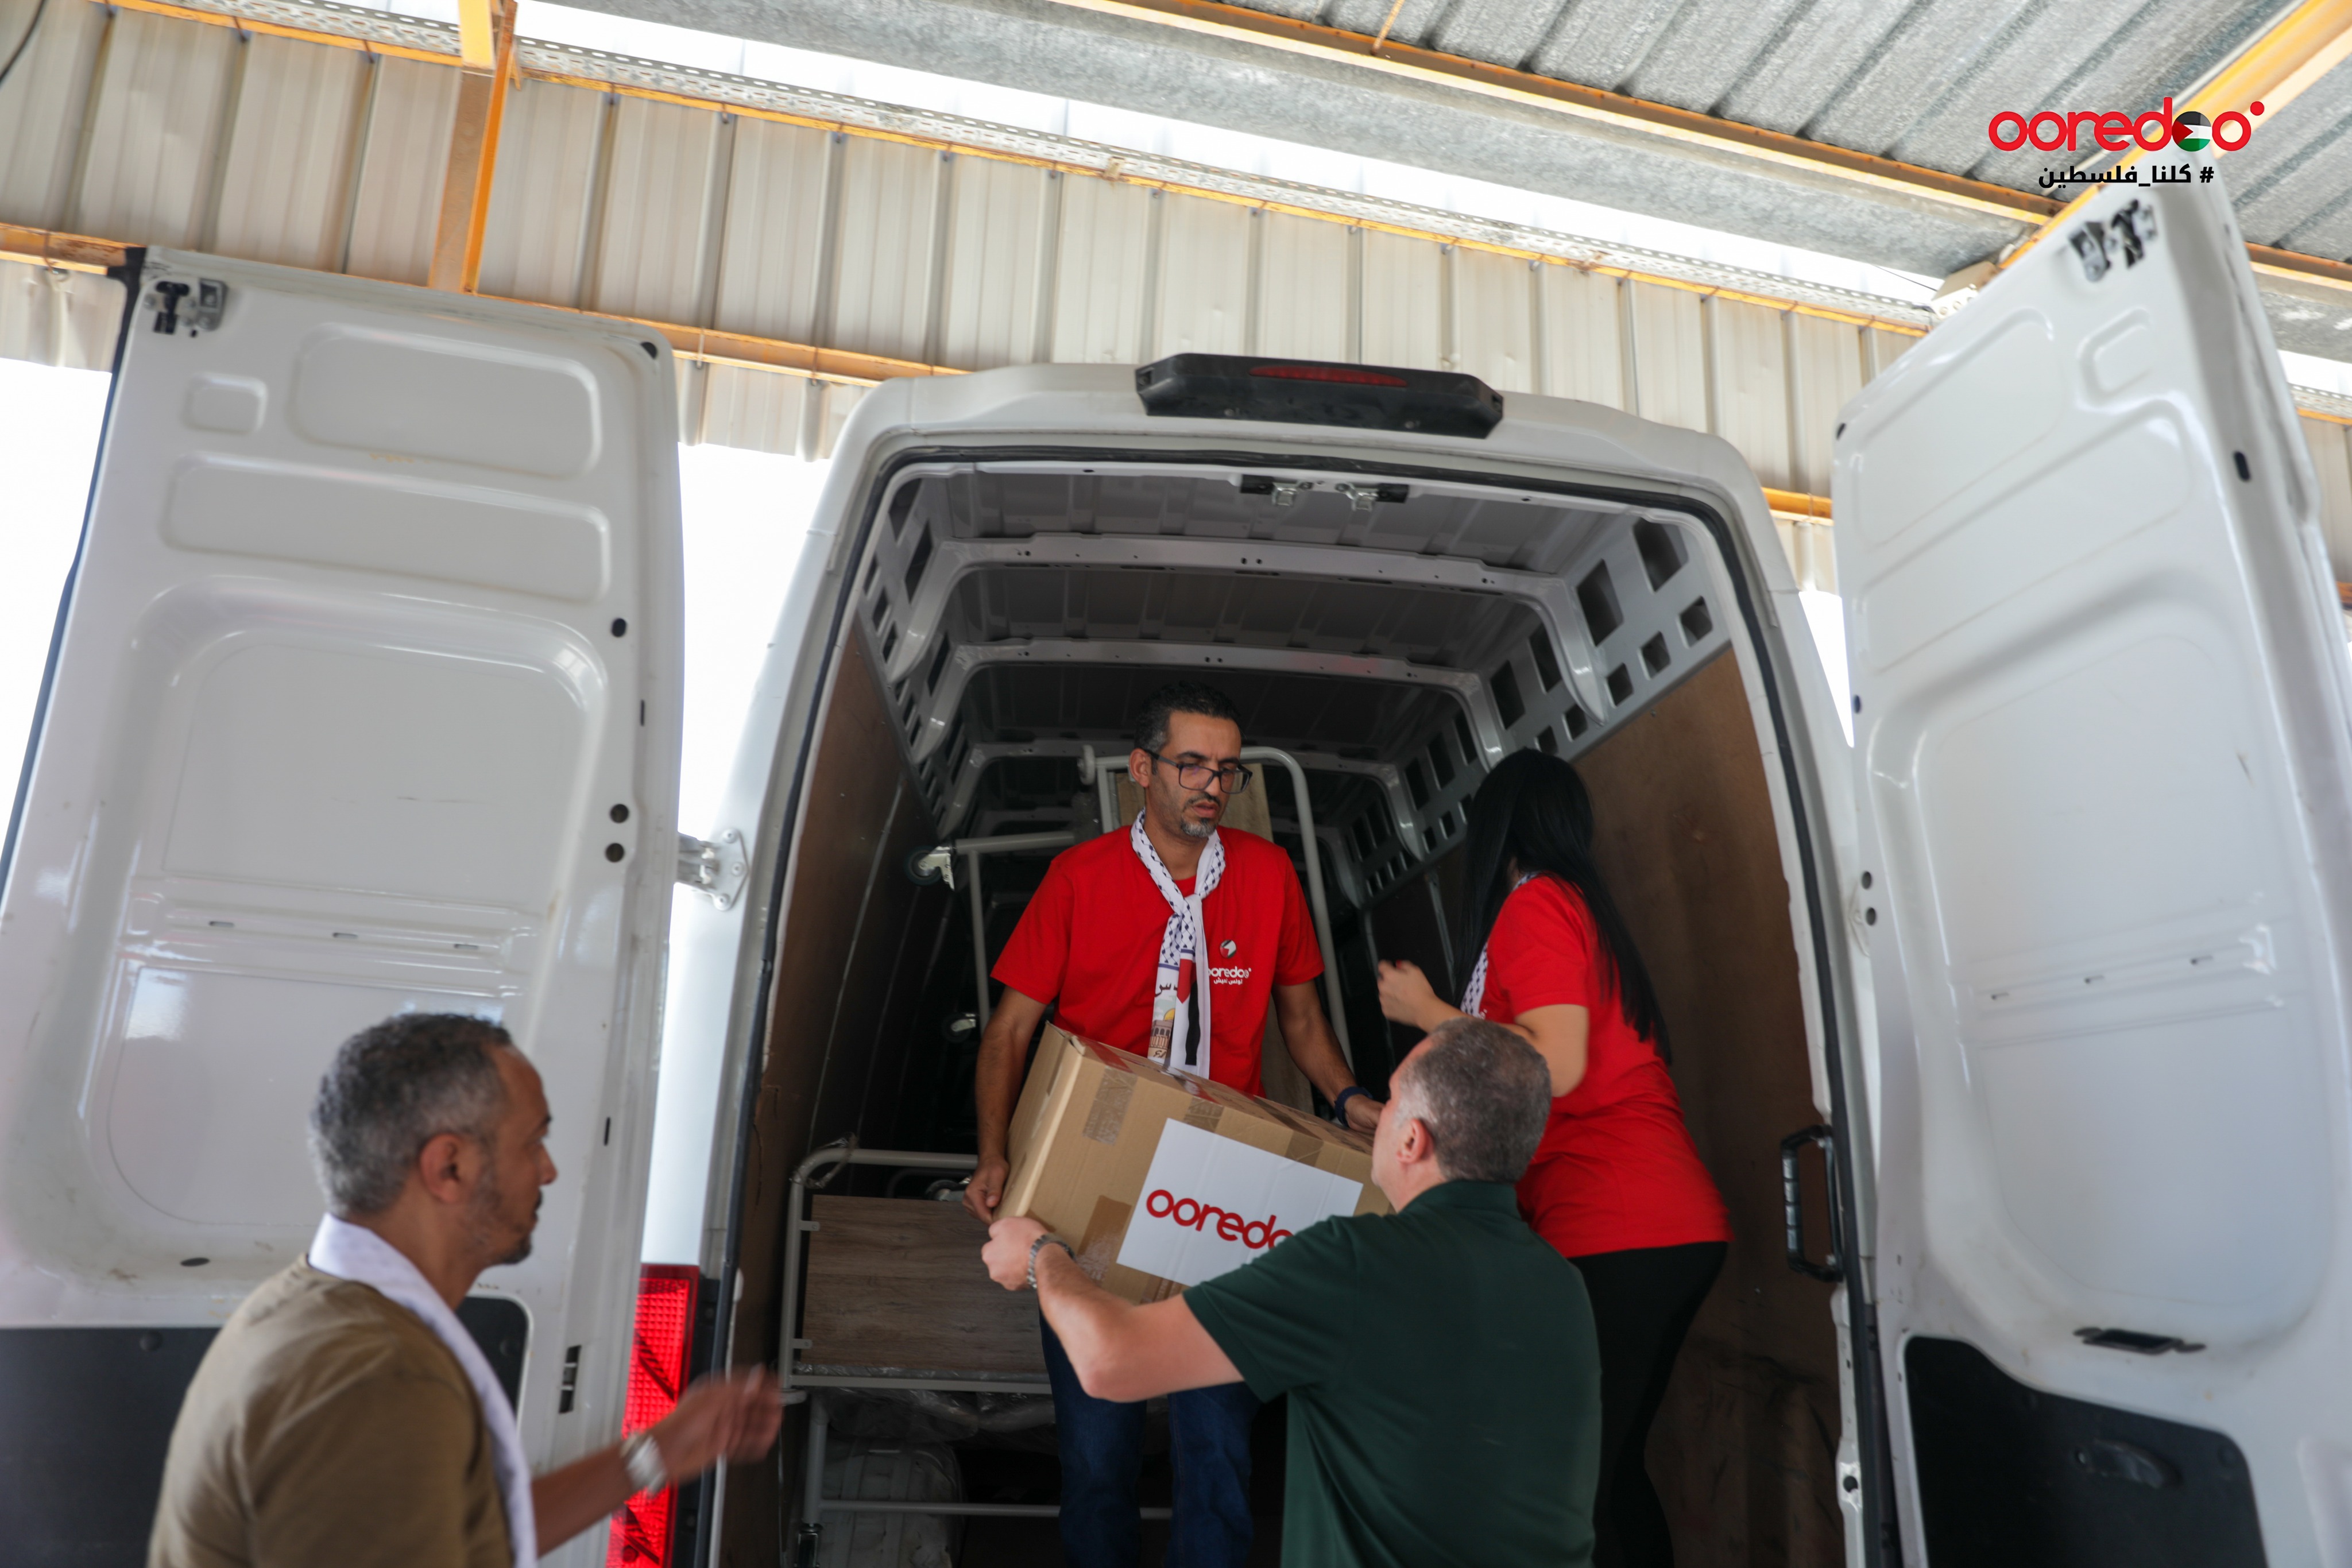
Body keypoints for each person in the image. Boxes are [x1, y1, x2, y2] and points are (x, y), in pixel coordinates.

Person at [961, 680, 1378, 1568]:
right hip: (1094, 1182)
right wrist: (995, 1154)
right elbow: (1009, 1031)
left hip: (1220, 1191)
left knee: (1219, 1452)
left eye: (1228, 769)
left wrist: (1350, 1100)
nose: (1212, 785)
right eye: (1192, 764)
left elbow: (1302, 1021)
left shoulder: (1267, 875)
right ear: (1142, 768)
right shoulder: (1080, 878)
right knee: (1097, 1452)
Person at [150, 1013, 782, 1568]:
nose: (548, 1170)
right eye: (533, 1141)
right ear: (449, 1167)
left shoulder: (306, 1304)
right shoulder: (381, 1378)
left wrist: (660, 1451)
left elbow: (456, 1535)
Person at [981, 1016, 1601, 1567]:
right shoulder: (1564, 1286)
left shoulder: (1354, 1258)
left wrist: (1041, 1254)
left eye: (1389, 1102)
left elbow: (1110, 1359)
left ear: (1412, 1141)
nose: (1380, 1115)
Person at [1376, 749, 1730, 1568]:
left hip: (1617, 1223)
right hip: (1662, 1222)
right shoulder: (1582, 908)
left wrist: (1427, 1010)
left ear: (1495, 831)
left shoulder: (1533, 904)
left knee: (1573, 1480)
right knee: (1609, 1467)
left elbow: (1556, 1060)